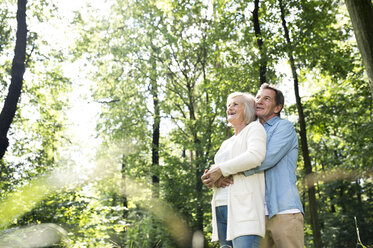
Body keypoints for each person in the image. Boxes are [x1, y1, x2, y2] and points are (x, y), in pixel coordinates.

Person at [201, 92, 267, 248]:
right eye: (228, 105)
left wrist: (221, 170)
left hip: (244, 209)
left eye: (235, 104)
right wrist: (213, 179)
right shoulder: (226, 143)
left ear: (249, 109)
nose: (230, 107)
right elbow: (219, 169)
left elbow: (255, 156)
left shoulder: (254, 129)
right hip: (221, 208)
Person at [243, 83, 304, 248]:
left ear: (277, 107)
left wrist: (231, 172)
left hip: (284, 211)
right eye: (258, 97)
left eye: (266, 98)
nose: (259, 101)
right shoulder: (250, 132)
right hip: (257, 215)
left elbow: (267, 158)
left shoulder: (284, 127)